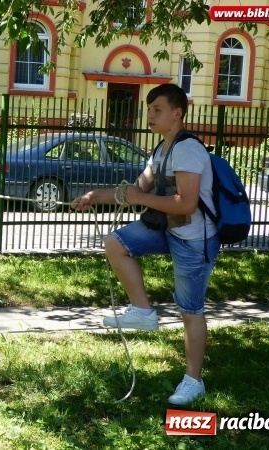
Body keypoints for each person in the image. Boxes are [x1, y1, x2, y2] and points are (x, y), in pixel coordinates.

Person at [70, 83, 220, 405]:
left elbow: (186, 204)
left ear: (177, 113)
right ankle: (143, 311)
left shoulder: (188, 149)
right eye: (149, 109)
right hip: (167, 229)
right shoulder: (160, 150)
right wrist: (94, 196)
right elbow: (135, 190)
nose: (150, 115)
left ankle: (193, 381)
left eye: (157, 109)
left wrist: (142, 197)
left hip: (194, 239)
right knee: (115, 242)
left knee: (190, 310)